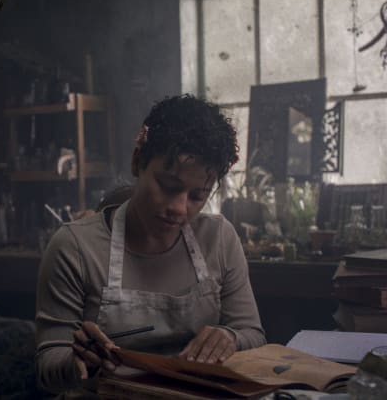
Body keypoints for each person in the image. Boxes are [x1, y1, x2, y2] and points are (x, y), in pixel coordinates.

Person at [34, 94, 266, 398]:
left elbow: (254, 336)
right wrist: (78, 361)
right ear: (137, 161)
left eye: (198, 196)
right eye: (169, 187)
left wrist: (229, 337)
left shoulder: (219, 239)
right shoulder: (75, 247)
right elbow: (46, 367)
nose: (179, 208)